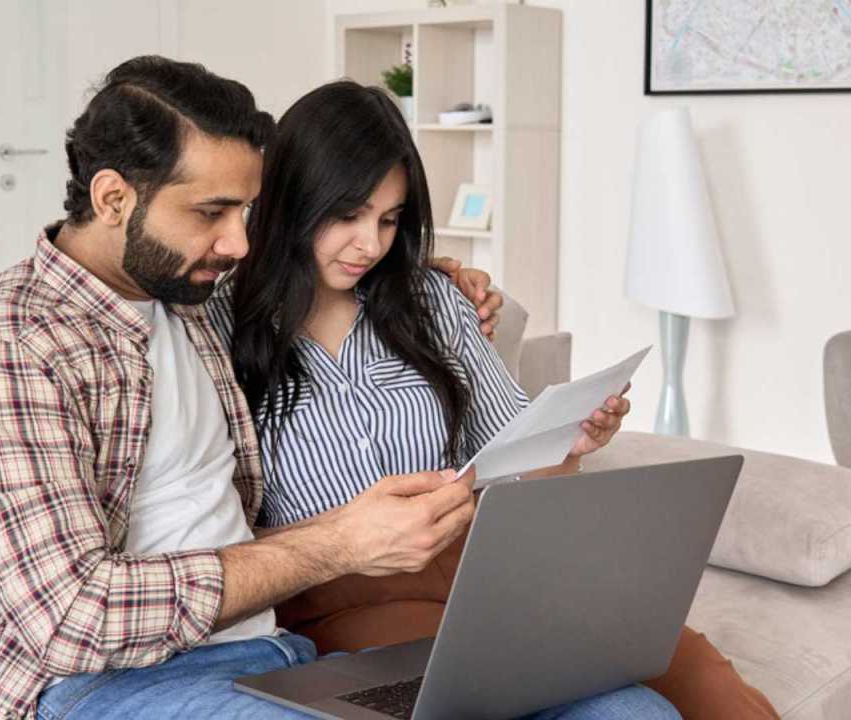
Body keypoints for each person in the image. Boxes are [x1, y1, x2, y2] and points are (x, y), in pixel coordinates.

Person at [0, 56, 679, 719]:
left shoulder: (191, 308)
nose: (240, 241)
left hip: (271, 655)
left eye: (247, 208)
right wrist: (340, 542)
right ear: (112, 199)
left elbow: (323, 287)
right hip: (88, 688)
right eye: (213, 211)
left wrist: (430, 280)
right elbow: (74, 618)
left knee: (629, 709)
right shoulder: (1, 353)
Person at [210, 80, 779, 720]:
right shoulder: (217, 327)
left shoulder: (432, 301)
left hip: (487, 562)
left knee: (702, 676)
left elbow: (517, 456)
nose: (370, 243)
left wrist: (571, 437)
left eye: (390, 219)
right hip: (346, 596)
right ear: (291, 200)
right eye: (347, 215)